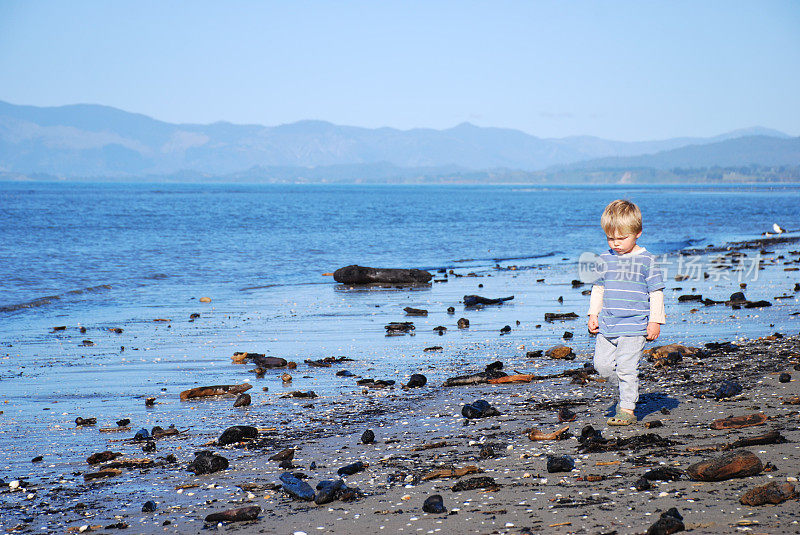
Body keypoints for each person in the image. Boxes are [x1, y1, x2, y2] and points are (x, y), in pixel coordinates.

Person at [587, 200, 665, 425]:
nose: (616, 244)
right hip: (608, 325)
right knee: (601, 366)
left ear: (638, 233)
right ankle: (627, 390)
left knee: (627, 367)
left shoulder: (646, 260)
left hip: (634, 326)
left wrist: (655, 321)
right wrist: (593, 314)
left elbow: (656, 292)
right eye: (611, 239)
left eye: (622, 239)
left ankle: (627, 408)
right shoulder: (605, 259)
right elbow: (598, 288)